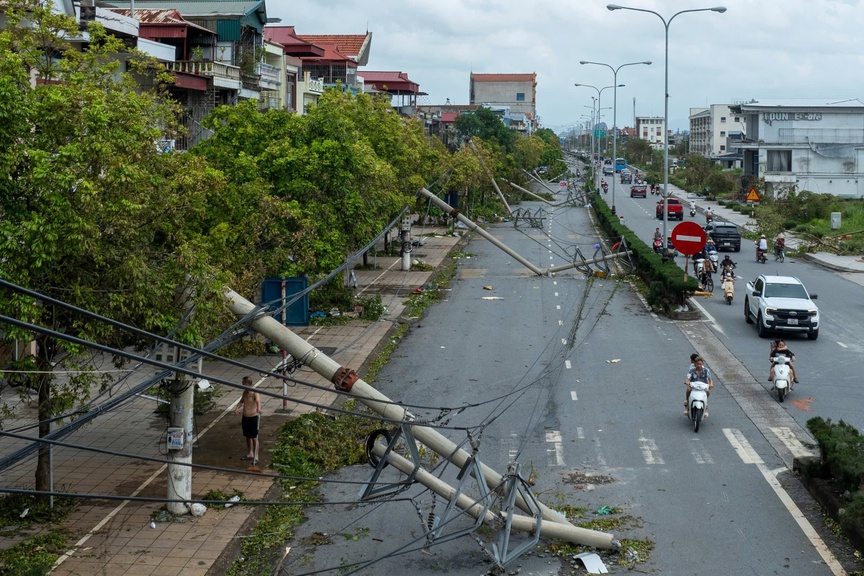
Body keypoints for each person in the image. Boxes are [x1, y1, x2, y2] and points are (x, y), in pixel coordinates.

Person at [235, 376, 262, 464]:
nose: (243, 385)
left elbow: (258, 401)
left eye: (244, 384)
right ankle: (250, 453)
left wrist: (259, 408)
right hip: (245, 417)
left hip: (253, 417)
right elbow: (241, 401)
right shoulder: (245, 393)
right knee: (247, 436)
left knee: (254, 437)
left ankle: (256, 455)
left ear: (247, 384)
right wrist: (237, 408)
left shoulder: (255, 393)